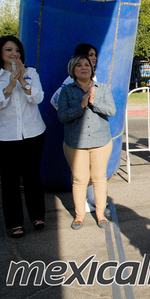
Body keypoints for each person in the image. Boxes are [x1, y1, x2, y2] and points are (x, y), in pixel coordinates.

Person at [0, 36, 46, 238]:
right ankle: (15, 223)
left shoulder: (31, 72)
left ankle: (37, 216)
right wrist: (9, 86)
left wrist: (22, 80)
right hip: (4, 137)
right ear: (0, 53)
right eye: (9, 50)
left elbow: (37, 98)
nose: (14, 54)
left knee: (32, 176)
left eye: (17, 50)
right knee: (10, 180)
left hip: (32, 133)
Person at [57, 55, 116, 230]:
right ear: (72, 71)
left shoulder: (103, 88)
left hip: (101, 141)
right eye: (79, 66)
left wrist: (93, 101)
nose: (84, 68)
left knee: (99, 179)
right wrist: (81, 106)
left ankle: (100, 214)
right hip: (76, 143)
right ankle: (79, 216)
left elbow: (111, 110)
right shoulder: (67, 91)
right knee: (79, 180)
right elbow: (62, 116)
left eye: (87, 65)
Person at [51, 43, 99, 212]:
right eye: (90, 55)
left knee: (93, 168)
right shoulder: (71, 80)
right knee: (80, 171)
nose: (93, 58)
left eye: (94, 55)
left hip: (93, 132)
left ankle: (93, 198)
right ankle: (82, 202)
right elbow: (55, 101)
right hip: (77, 133)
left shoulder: (95, 78)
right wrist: (74, 113)